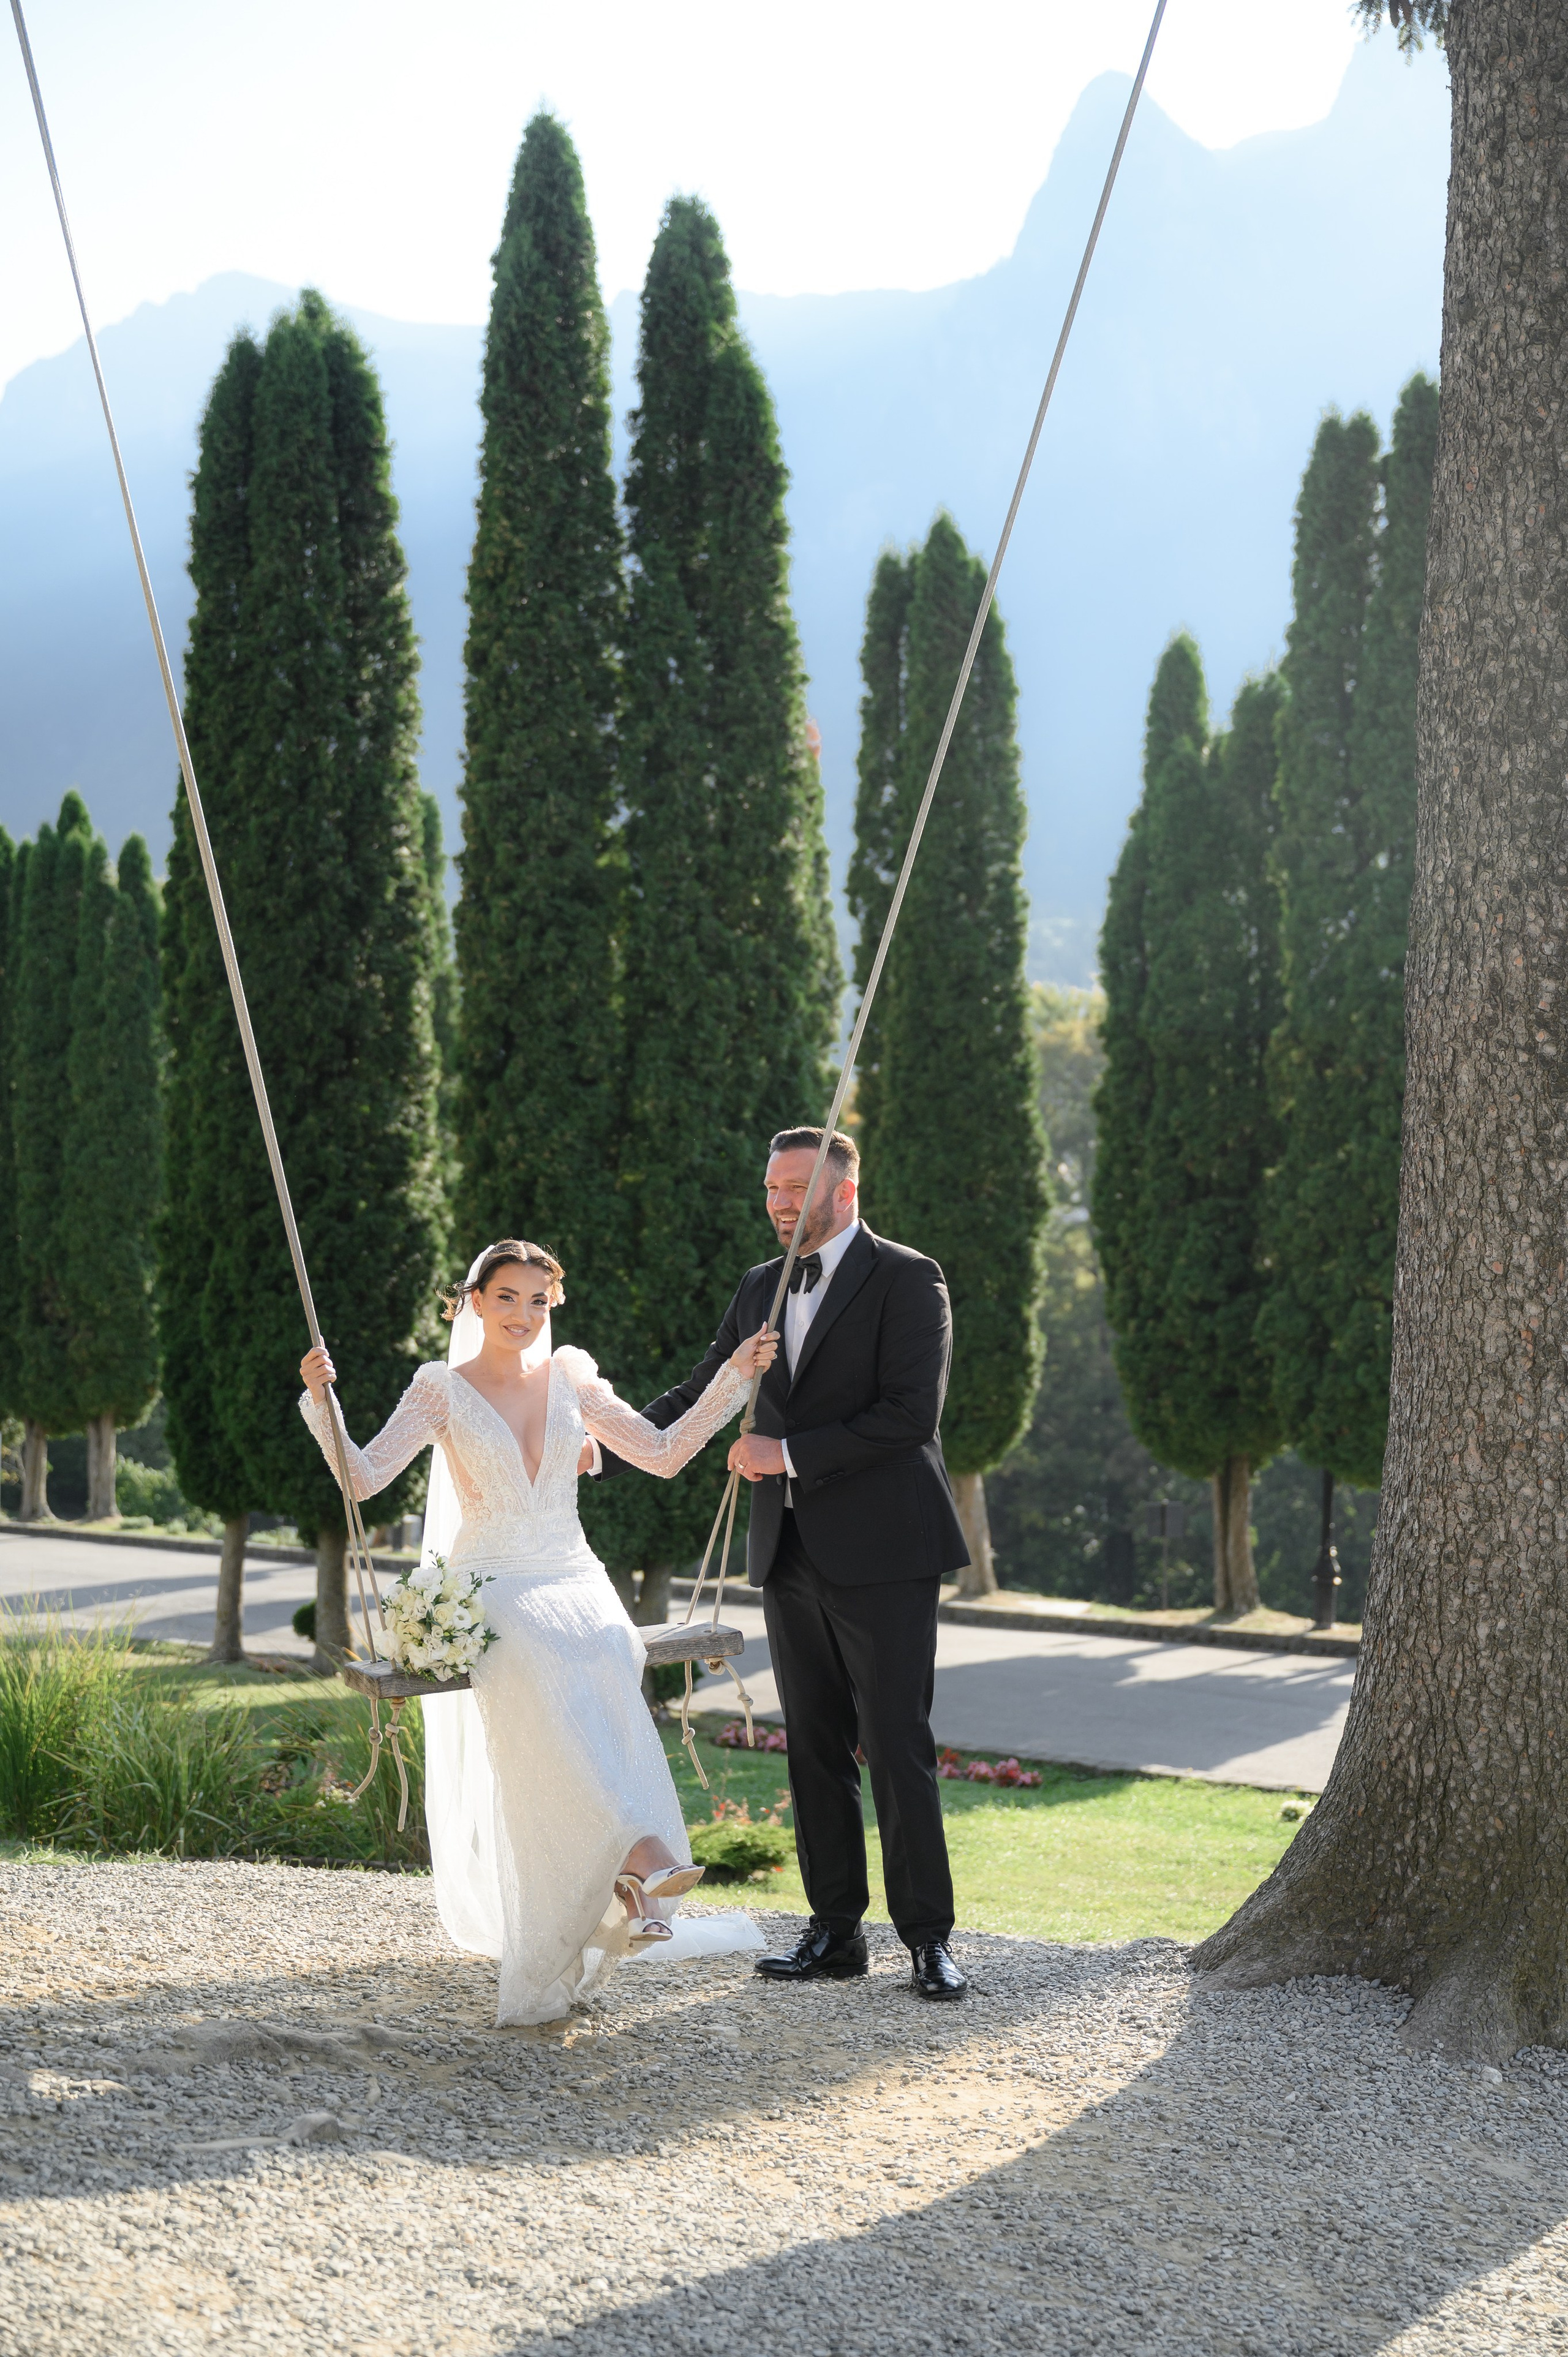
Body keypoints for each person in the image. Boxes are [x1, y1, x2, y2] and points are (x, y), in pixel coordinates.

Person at [298, 1238, 778, 2026]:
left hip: (573, 1569)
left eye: (538, 1302)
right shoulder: (439, 1390)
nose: (524, 1315)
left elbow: (661, 1453)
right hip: (494, 1580)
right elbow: (361, 1477)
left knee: (604, 1648)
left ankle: (623, 1877)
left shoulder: (571, 1378)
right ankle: (640, 1857)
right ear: (473, 1302)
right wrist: (323, 1403)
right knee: (544, 1656)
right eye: (508, 1297)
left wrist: (735, 1379)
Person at [596, 1128, 971, 2001]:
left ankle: (929, 1940)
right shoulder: (760, 1288)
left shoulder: (911, 1278)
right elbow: (697, 1393)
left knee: (897, 1744)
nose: (777, 1203)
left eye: (796, 1188)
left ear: (845, 1190)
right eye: (770, 1188)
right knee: (812, 1749)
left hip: (888, 1551)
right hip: (790, 1552)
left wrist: (787, 1454)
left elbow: (910, 1415)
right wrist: (588, 1449)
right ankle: (834, 1932)